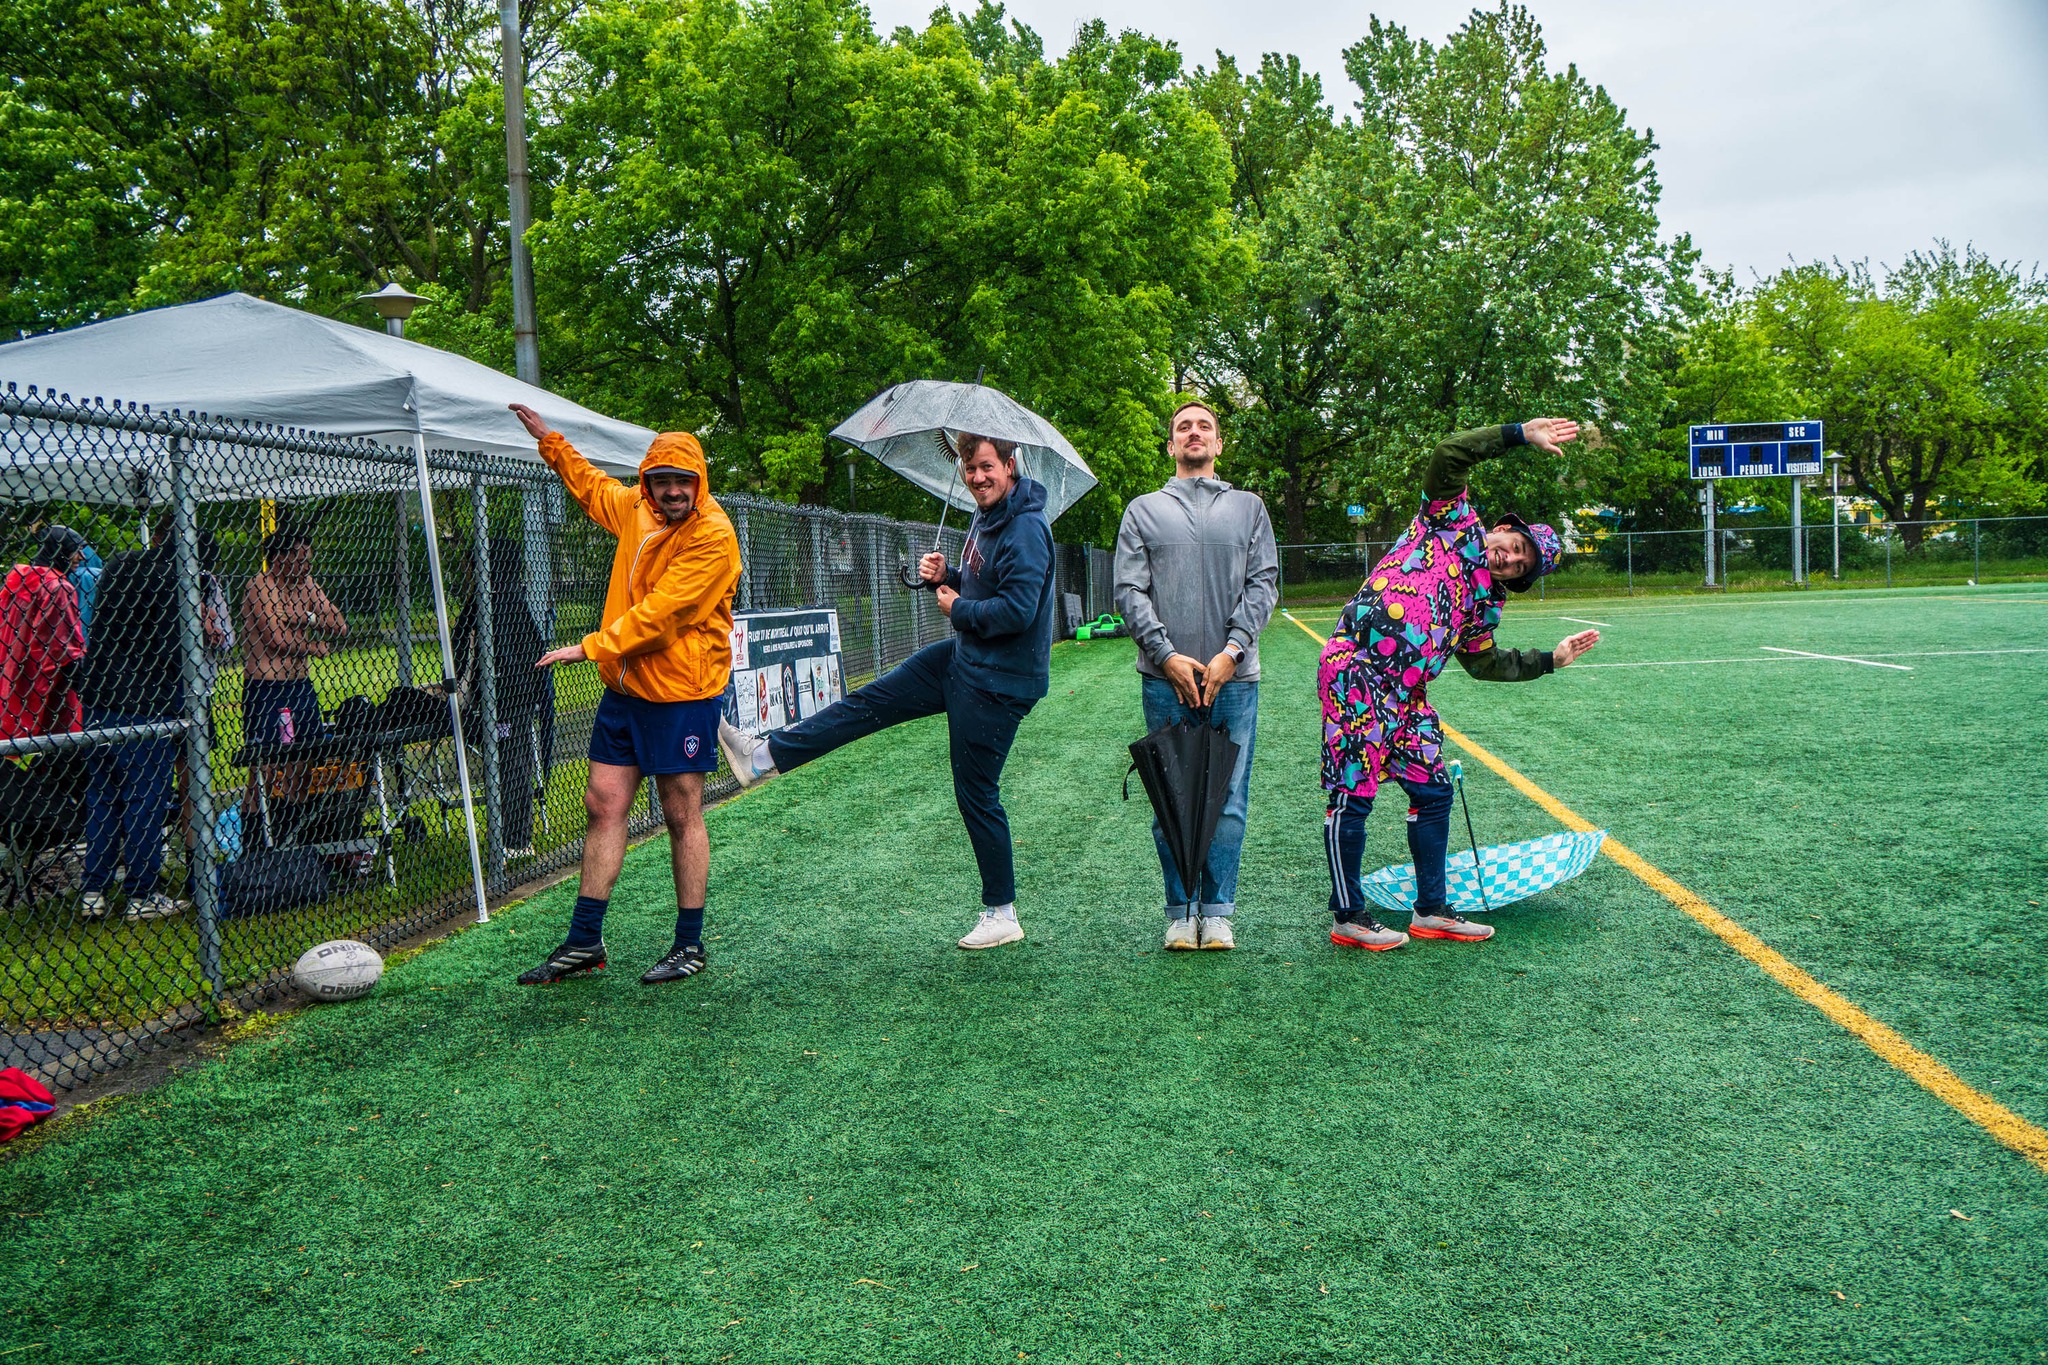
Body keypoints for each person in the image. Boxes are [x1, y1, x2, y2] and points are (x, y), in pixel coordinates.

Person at [719, 433, 1056, 950]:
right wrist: (949, 576)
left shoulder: (1027, 528)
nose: (977, 477)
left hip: (999, 682)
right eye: (969, 468)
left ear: (1010, 465)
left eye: (986, 466)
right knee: (870, 700)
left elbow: (1018, 611)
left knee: (976, 793)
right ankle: (764, 755)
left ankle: (1001, 912)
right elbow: (986, 583)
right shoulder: (987, 518)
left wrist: (956, 609)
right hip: (966, 661)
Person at [1320, 420, 1600, 951]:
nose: (1511, 557)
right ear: (1500, 530)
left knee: (1433, 790)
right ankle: (1348, 916)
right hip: (1355, 671)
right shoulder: (1451, 521)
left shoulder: (1485, 606)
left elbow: (1484, 662)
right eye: (1514, 544)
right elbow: (1449, 453)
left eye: (1521, 564)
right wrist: (1519, 434)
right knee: (1353, 793)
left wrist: (1551, 660)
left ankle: (1431, 912)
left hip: (1406, 697)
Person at [509, 402, 742, 987]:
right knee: (603, 803)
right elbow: (592, 489)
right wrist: (551, 442)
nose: (669, 492)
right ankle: (584, 940)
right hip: (626, 689)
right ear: (648, 483)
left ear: (699, 481)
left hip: (681, 692)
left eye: (680, 481)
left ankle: (688, 944)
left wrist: (591, 646)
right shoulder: (636, 510)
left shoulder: (713, 536)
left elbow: (664, 616)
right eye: (659, 481)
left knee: (680, 812)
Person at [1113, 400, 1278, 951]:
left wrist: (1232, 650)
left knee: (1228, 797)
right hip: (1165, 680)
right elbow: (1129, 591)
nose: (1193, 432)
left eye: (1204, 425)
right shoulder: (1143, 510)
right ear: (1171, 445)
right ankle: (1181, 910)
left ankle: (1219, 910)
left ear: (1218, 443)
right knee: (1171, 798)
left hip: (1235, 679)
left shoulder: (1250, 507)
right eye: (1183, 426)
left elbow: (1263, 584)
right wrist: (1165, 655)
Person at [75, 523, 192, 920]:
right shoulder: (173, 581)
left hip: (98, 696)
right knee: (146, 799)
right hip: (142, 703)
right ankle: (142, 893)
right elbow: (171, 650)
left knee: (103, 796)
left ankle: (94, 890)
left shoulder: (121, 563)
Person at [239, 523, 347, 829]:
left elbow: (339, 624)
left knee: (304, 762)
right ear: (279, 558)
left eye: (308, 560)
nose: (306, 566)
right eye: (300, 560)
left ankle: (291, 833)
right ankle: (255, 838)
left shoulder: (307, 585)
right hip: (268, 688)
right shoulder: (261, 586)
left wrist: (309, 617)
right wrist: (313, 645)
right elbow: (276, 639)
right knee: (266, 768)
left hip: (300, 687)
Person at [451, 537, 550, 859]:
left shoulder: (499, 600)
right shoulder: (503, 598)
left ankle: (515, 840)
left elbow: (460, 647)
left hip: (505, 701)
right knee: (512, 763)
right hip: (512, 700)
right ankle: (513, 837)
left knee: (512, 766)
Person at [0, 525, 88, 745]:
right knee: (58, 741)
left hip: (12, 668)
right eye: (74, 549)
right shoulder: (59, 587)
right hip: (47, 681)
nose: (81, 556)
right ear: (59, 551)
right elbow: (64, 649)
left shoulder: (19, 578)